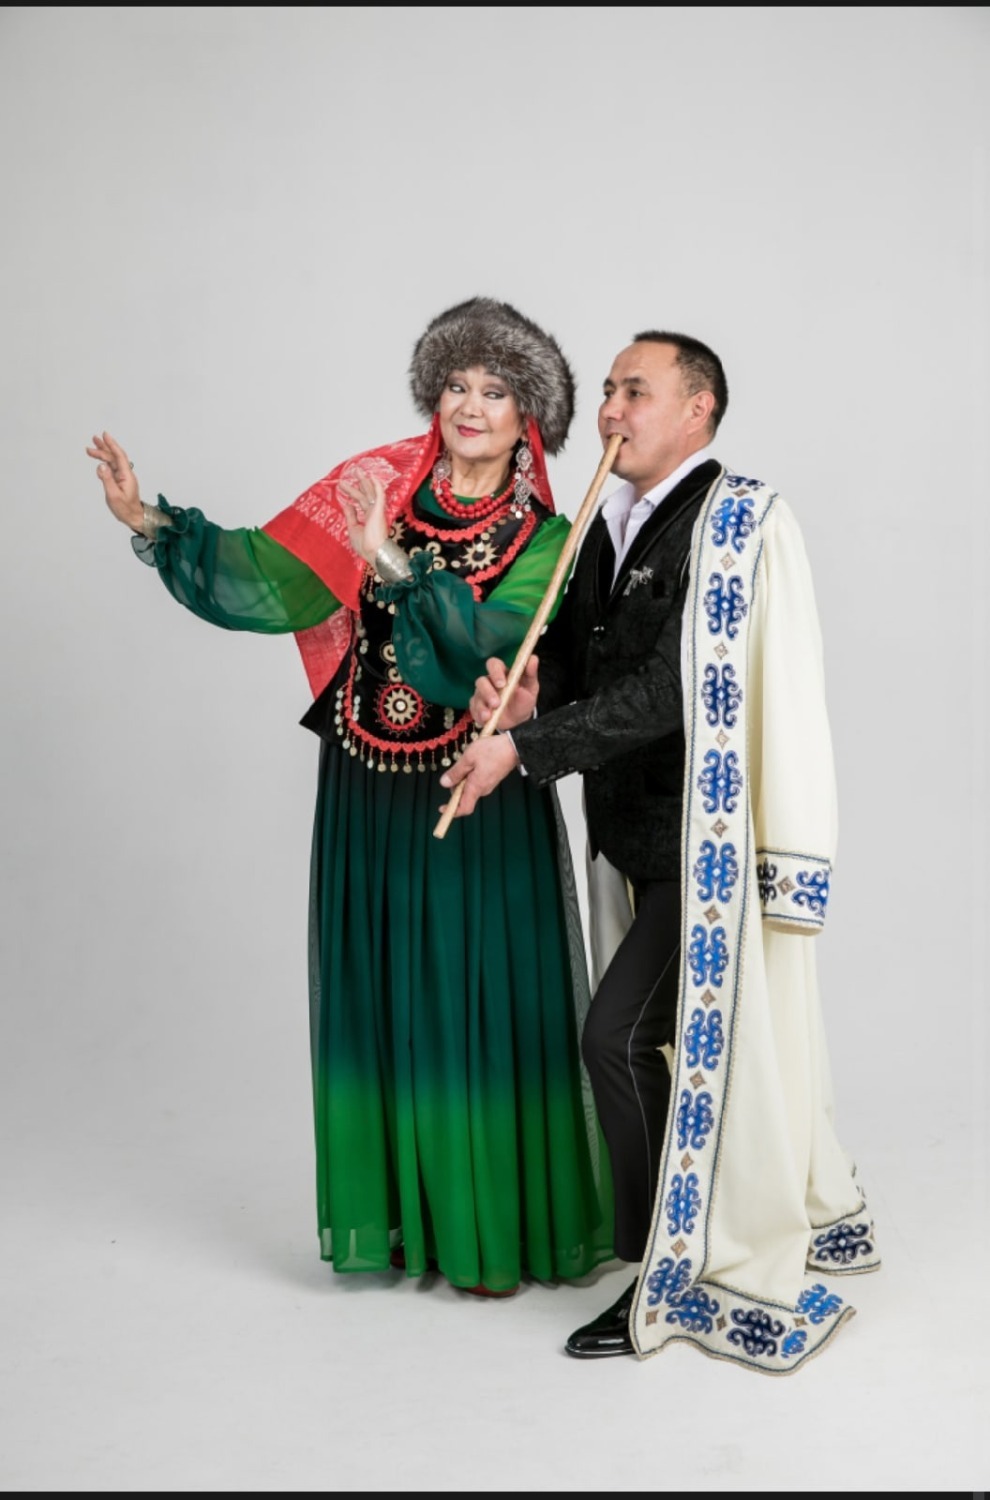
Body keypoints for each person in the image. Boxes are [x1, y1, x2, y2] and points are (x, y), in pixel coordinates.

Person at [86, 296, 614, 1298]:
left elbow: (480, 651)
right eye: (455, 384)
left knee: (471, 1001)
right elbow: (276, 578)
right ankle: (410, 1223)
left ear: (530, 421)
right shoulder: (377, 487)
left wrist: (390, 560)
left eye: (495, 391)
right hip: (367, 790)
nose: (469, 406)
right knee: (385, 998)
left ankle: (488, 1234)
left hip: (475, 796)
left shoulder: (549, 539)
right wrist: (152, 522)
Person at [440, 330, 881, 1370]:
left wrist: (522, 750)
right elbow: (582, 656)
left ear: (697, 409)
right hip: (633, 834)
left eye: (634, 391)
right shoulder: (608, 520)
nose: (609, 410)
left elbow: (674, 688)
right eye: (607, 390)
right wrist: (533, 689)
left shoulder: (737, 524)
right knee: (674, 1045)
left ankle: (664, 1269)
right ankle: (678, 1234)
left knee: (616, 1039)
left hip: (708, 843)